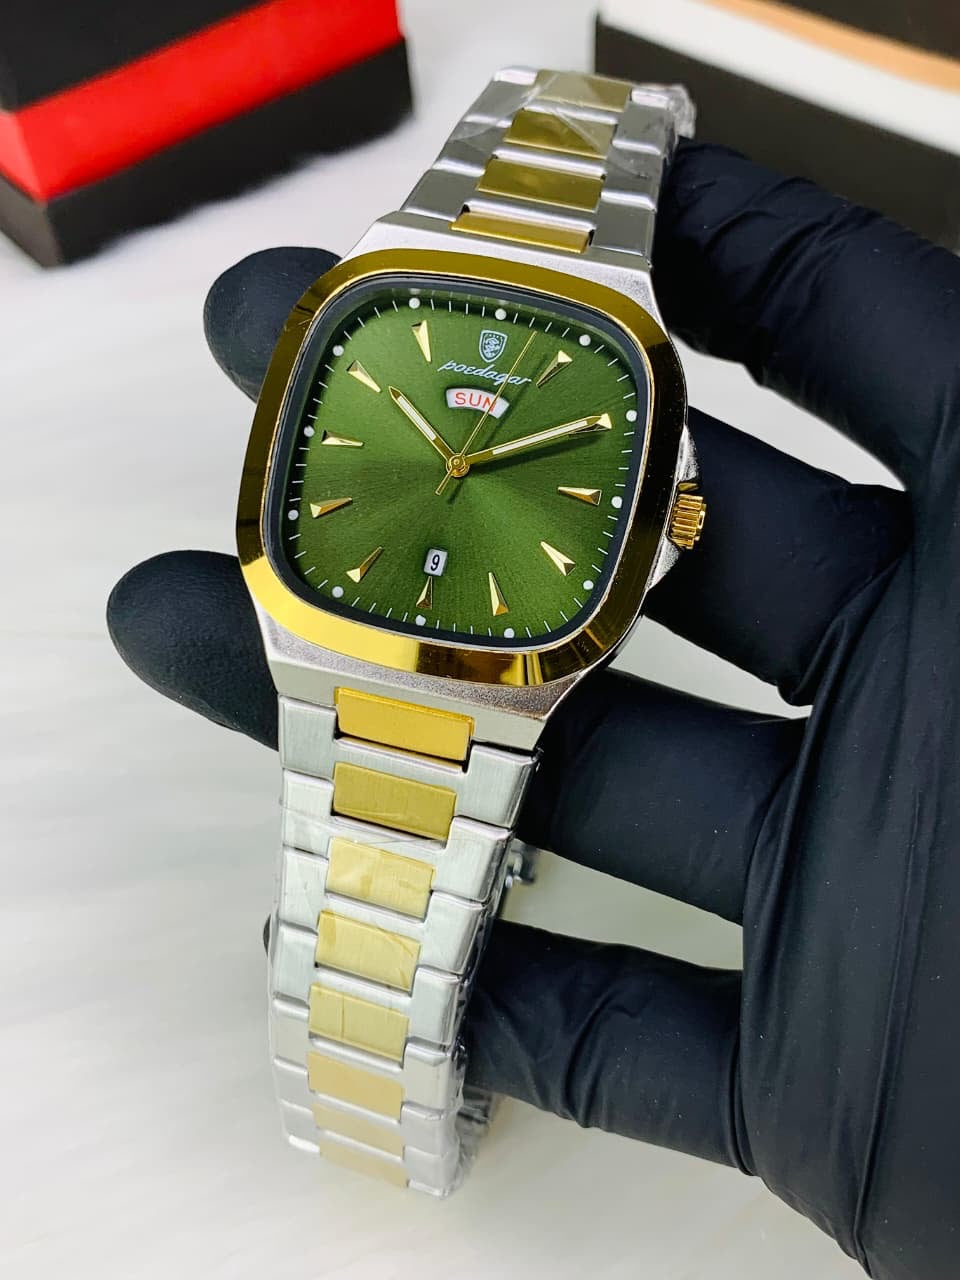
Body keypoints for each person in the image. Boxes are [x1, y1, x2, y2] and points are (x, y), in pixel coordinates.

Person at [107, 141, 960, 1280]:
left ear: (674, 524)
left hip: (531, 638)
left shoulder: (660, 514)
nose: (461, 463)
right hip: (347, 617)